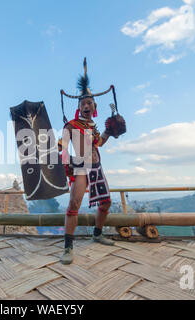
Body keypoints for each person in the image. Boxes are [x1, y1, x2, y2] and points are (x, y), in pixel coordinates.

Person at [58, 58, 120, 265]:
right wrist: (61, 154)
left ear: (94, 106)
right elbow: (63, 145)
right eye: (83, 103)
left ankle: (97, 233)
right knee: (74, 203)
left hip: (96, 166)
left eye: (89, 103)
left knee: (106, 202)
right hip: (81, 168)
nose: (86, 105)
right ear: (79, 107)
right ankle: (68, 247)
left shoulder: (93, 127)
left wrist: (110, 132)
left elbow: (98, 143)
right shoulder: (71, 125)